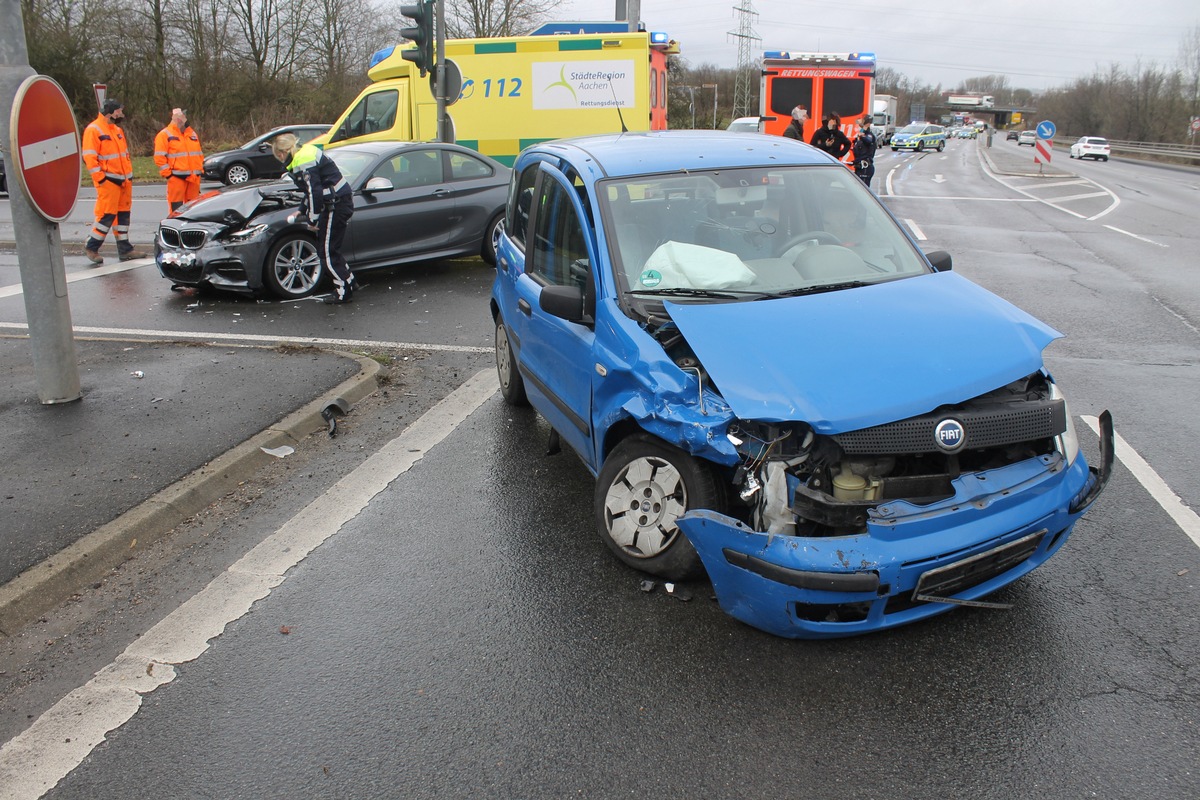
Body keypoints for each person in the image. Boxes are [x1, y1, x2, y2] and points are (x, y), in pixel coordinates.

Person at [271, 133, 356, 304]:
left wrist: (312, 220)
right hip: (337, 203)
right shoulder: (304, 154)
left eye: (278, 155)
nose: (280, 159)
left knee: (326, 253)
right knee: (330, 249)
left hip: (335, 206)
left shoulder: (303, 160)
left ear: (283, 152)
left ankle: (343, 291)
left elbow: (315, 192)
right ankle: (349, 281)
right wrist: (301, 210)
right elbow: (311, 191)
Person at [81, 99, 146, 264]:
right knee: (107, 215)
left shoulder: (117, 130)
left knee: (123, 215)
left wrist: (128, 176)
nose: (121, 114)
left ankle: (125, 249)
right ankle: (92, 246)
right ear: (110, 111)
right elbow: (89, 157)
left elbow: (124, 155)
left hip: (123, 180)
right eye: (119, 111)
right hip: (108, 180)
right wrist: (100, 178)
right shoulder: (93, 129)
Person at [154, 107, 204, 213]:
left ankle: (191, 229)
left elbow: (199, 154)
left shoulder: (192, 134)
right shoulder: (164, 135)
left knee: (194, 208)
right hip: (176, 178)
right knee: (176, 208)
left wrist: (200, 171)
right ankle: (175, 228)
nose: (186, 119)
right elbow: (159, 157)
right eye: (184, 116)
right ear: (178, 119)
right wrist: (169, 175)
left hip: (193, 179)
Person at [852, 114, 878, 188]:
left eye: (862, 121)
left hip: (865, 167)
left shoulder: (869, 135)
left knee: (863, 189)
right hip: (859, 167)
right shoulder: (862, 134)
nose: (859, 123)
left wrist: (862, 135)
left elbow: (868, 140)